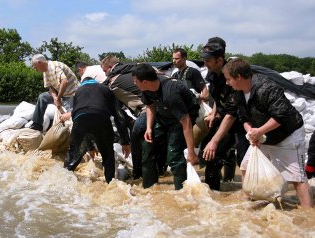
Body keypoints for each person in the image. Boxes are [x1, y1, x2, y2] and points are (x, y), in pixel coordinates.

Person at [223, 58, 312, 208]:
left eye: (228, 79)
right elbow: (243, 117)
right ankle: (247, 204)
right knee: (245, 167)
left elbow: (281, 116)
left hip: (288, 135)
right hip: (263, 136)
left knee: (297, 178)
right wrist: (251, 132)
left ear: (238, 76)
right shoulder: (237, 93)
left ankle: (308, 214)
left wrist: (259, 131)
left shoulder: (267, 88)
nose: (227, 83)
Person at [132, 63, 199, 190]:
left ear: (145, 82)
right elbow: (150, 106)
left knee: (174, 156)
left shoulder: (170, 92)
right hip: (163, 117)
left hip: (181, 121)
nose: (134, 84)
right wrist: (149, 128)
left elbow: (186, 122)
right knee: (147, 148)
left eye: (135, 81)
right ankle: (149, 190)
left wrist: (191, 152)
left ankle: (181, 193)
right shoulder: (146, 89)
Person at [61, 77, 131, 183]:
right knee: (107, 154)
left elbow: (80, 119)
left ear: (83, 83)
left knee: (73, 154)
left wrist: (89, 147)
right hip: (102, 118)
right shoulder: (106, 90)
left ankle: (63, 181)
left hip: (80, 121)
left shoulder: (78, 92)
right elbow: (119, 116)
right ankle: (110, 184)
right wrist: (125, 141)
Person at [200, 40, 249, 190]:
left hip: (241, 122)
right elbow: (216, 96)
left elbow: (232, 112)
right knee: (211, 156)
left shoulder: (232, 75)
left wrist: (215, 141)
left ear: (220, 60)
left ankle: (250, 196)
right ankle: (214, 194)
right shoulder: (212, 73)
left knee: (244, 161)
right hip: (224, 118)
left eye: (208, 60)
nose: (205, 64)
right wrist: (214, 113)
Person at [29, 54, 79, 132]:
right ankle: (37, 125)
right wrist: (55, 98)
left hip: (71, 93)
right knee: (42, 97)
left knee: (69, 115)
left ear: (40, 62)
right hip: (60, 93)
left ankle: (72, 133)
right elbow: (50, 87)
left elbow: (64, 82)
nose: (35, 69)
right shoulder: (45, 71)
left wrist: (58, 99)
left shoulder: (55, 67)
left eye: (35, 67)